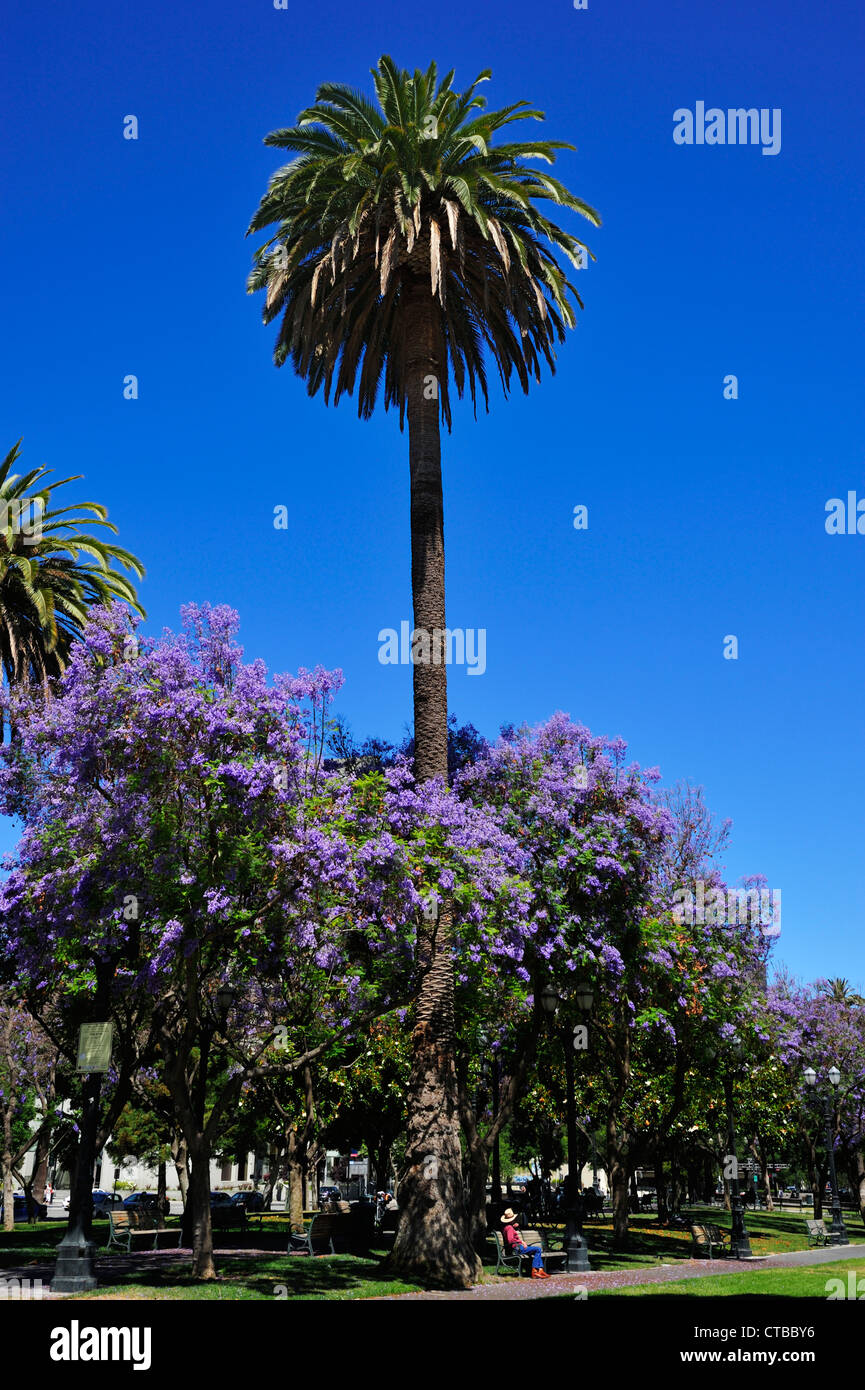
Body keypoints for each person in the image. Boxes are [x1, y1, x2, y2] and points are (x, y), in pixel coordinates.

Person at [501, 1208, 549, 1278]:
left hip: (516, 1248)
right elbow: (510, 1240)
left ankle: (540, 1270)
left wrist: (514, 1228)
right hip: (517, 1249)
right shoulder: (509, 1228)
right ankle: (535, 1271)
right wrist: (522, 1242)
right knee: (538, 1249)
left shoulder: (507, 1227)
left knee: (536, 1251)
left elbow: (511, 1236)